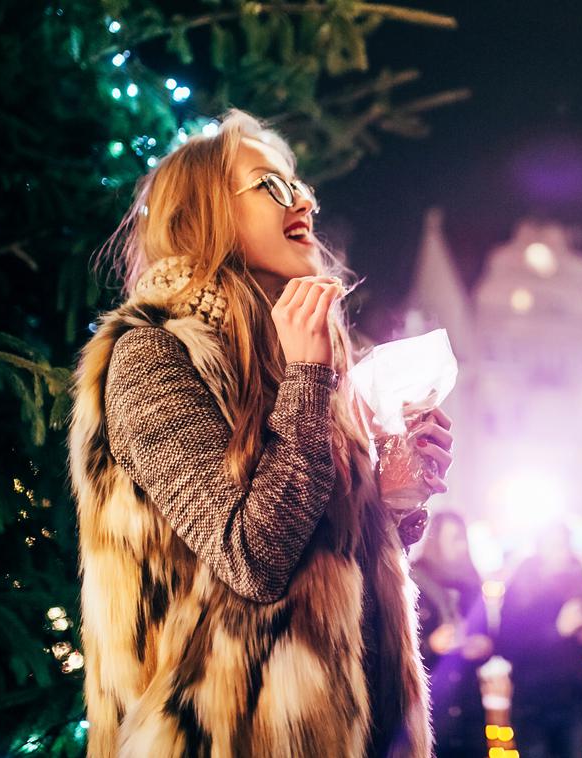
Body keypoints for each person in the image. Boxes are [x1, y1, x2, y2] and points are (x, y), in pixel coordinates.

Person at [69, 110, 453, 757]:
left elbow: (327, 571)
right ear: (202, 217)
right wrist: (307, 376)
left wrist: (394, 500)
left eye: (298, 184)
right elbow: (252, 562)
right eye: (270, 185)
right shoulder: (153, 355)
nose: (303, 198)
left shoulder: (302, 357)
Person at [497, 523, 582, 758]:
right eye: (554, 545)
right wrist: (557, 631)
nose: (561, 552)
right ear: (540, 548)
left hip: (574, 700)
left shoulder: (577, 580)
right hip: (533, 704)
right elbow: (507, 645)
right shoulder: (522, 586)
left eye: (564, 544)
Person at [411, 512, 493, 757]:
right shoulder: (414, 580)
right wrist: (431, 646)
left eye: (462, 538)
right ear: (437, 541)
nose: (461, 546)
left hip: (468, 706)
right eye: (453, 538)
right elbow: (394, 649)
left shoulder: (471, 581)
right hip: (430, 706)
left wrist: (483, 648)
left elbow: (488, 637)